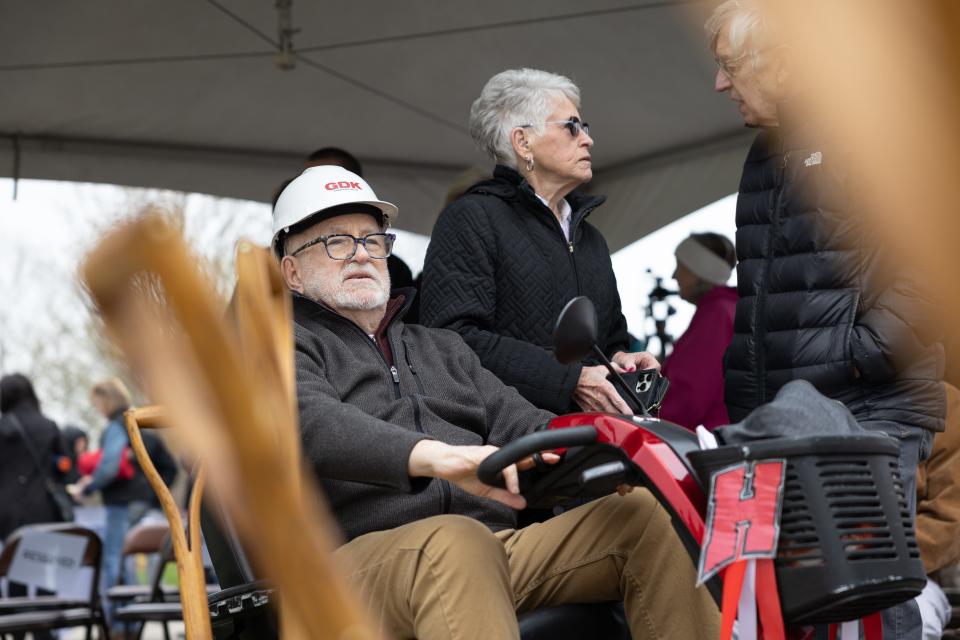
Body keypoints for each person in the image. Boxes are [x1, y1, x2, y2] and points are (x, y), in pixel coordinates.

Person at [272, 164, 719, 639]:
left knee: (648, 517)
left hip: (490, 547)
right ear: (292, 272)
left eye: (372, 240)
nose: (360, 255)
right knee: (456, 543)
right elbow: (313, 424)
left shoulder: (441, 347)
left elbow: (526, 424)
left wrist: (611, 456)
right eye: (336, 242)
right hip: (349, 568)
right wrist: (438, 457)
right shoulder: (278, 346)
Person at [706, 2, 945, 637]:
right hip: (772, 416)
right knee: (772, 598)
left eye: (729, 66)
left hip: (872, 405)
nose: (719, 84)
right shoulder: (763, 152)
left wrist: (863, 352)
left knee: (868, 595)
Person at [420, 68, 658, 416]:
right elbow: (451, 340)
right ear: (523, 141)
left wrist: (623, 357)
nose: (588, 139)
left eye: (584, 127)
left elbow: (610, 339)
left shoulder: (589, 237)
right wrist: (569, 380)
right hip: (507, 444)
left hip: (589, 441)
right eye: (572, 126)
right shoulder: (472, 218)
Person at [70, 377, 147, 632]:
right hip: (136, 499)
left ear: (106, 399)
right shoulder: (131, 422)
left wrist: (89, 486)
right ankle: (132, 622)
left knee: (114, 560)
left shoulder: (115, 426)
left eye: (97, 403)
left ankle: (116, 624)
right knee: (126, 559)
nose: (97, 409)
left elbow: (110, 465)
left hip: (120, 502)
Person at [658, 233, 738, 430]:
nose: (674, 275)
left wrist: (650, 424)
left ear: (698, 271)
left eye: (680, 266)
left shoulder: (716, 314)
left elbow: (690, 394)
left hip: (701, 444)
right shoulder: (728, 308)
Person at [0, 373, 68, 540]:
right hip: (43, 509)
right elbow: (65, 467)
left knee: (8, 563)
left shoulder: (2, 427)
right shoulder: (49, 426)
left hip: (5, 511)